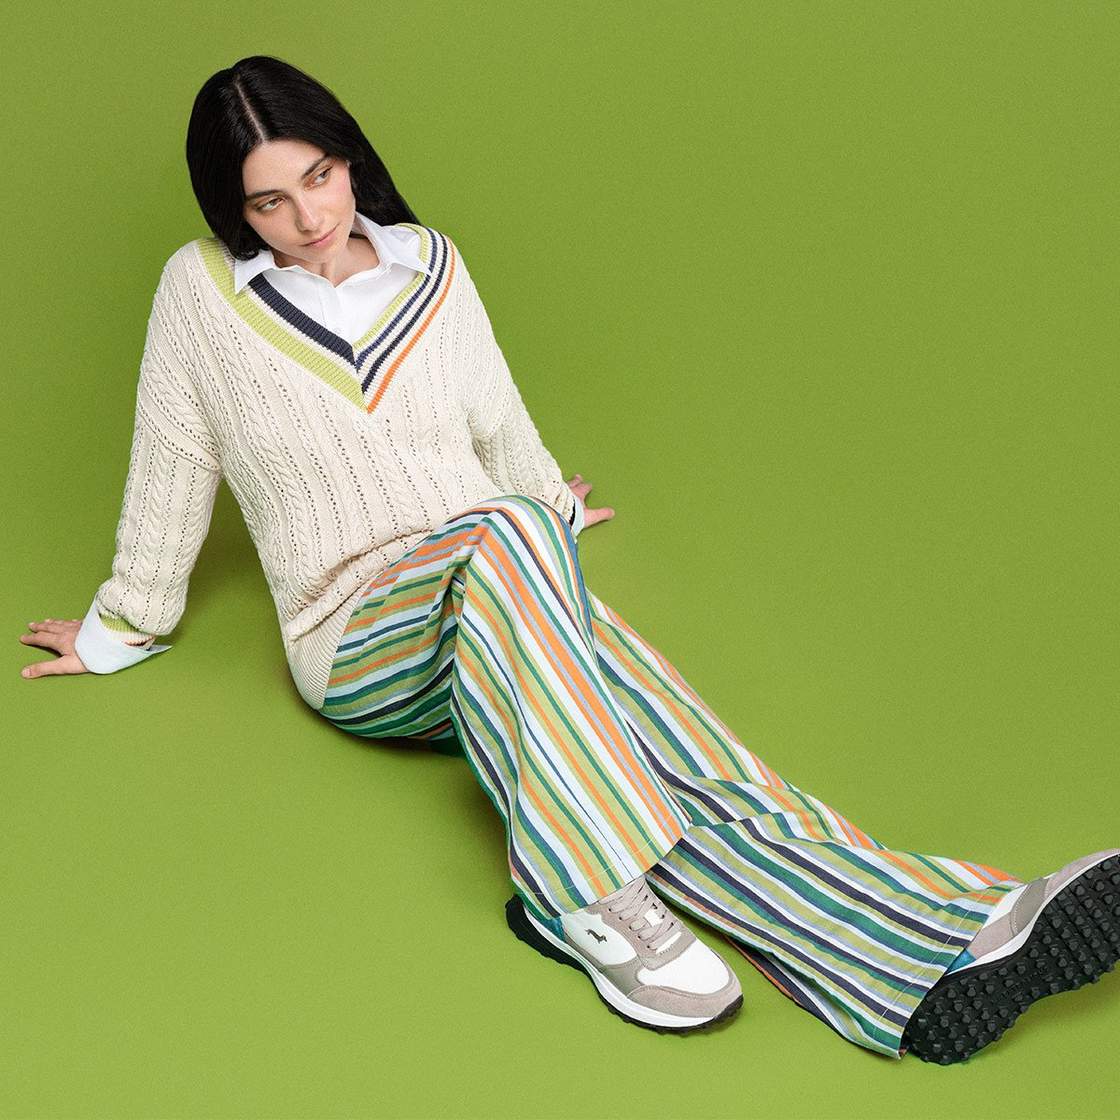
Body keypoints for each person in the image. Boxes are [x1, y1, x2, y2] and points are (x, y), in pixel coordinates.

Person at [19, 55, 1119, 1065]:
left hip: (504, 591)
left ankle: (938, 940)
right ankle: (579, 892)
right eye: (270, 201)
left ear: (348, 157)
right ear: (233, 208)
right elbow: (171, 460)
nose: (310, 216)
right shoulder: (201, 294)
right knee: (513, 535)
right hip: (356, 636)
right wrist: (125, 622)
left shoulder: (432, 265)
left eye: (320, 175)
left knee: (677, 744)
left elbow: (497, 418)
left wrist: (547, 510)